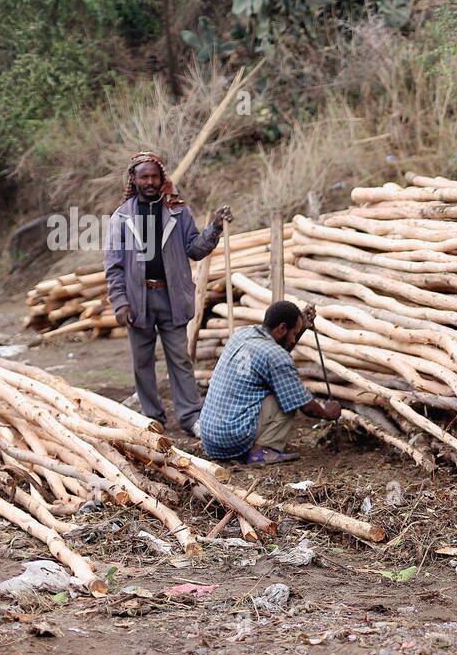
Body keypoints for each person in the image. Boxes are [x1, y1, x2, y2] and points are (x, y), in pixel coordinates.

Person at [103, 151, 233, 437]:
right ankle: (152, 418)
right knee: (142, 362)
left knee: (180, 359)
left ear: (161, 179)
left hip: (172, 296)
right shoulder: (121, 217)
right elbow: (113, 265)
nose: (149, 181)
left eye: (154, 176)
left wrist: (214, 229)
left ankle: (189, 417)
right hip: (138, 300)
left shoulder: (178, 211)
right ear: (134, 180)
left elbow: (195, 249)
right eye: (144, 177)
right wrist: (120, 302)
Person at [198, 300, 342, 465]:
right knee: (288, 397)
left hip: (211, 440)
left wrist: (301, 327)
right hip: (232, 440)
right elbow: (306, 406)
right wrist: (328, 413)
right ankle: (263, 451)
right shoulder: (274, 355)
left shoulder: (243, 333)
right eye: (294, 334)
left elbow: (275, 354)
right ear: (281, 328)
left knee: (282, 388)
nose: (294, 340)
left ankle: (253, 446)